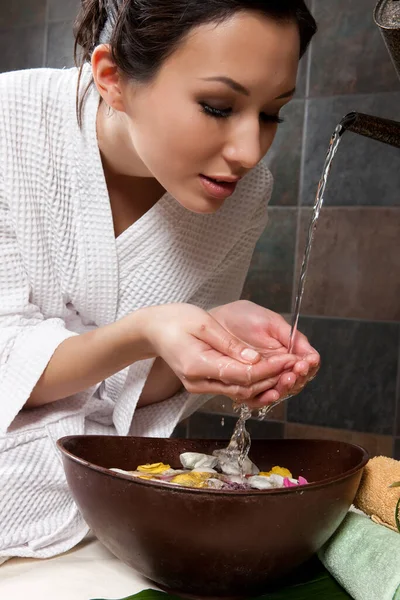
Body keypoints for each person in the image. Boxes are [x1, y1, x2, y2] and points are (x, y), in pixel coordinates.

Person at [0, 0, 319, 561]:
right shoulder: (9, 125)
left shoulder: (243, 194)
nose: (248, 152)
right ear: (113, 79)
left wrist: (205, 345)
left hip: (95, 496)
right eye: (218, 106)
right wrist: (143, 334)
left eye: (272, 113)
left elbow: (122, 407)